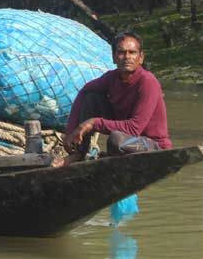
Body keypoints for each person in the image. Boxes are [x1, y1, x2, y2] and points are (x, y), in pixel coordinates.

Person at [61, 32, 171, 164]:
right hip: (126, 136)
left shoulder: (148, 82)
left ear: (141, 58)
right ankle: (79, 153)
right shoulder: (111, 78)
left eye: (132, 52)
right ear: (113, 58)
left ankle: (111, 159)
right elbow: (85, 91)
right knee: (91, 97)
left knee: (115, 140)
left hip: (152, 144)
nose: (127, 57)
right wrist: (70, 131)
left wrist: (93, 123)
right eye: (121, 52)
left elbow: (134, 129)